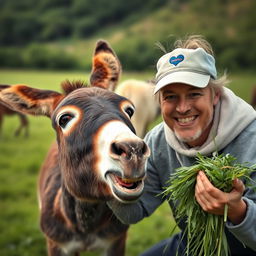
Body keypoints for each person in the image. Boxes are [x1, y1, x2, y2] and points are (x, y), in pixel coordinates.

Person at [107, 35, 256, 255]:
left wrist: (238, 211)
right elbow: (134, 212)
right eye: (170, 97)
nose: (182, 107)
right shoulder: (157, 142)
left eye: (194, 94)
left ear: (215, 95)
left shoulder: (251, 139)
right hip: (191, 246)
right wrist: (108, 178)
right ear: (159, 101)